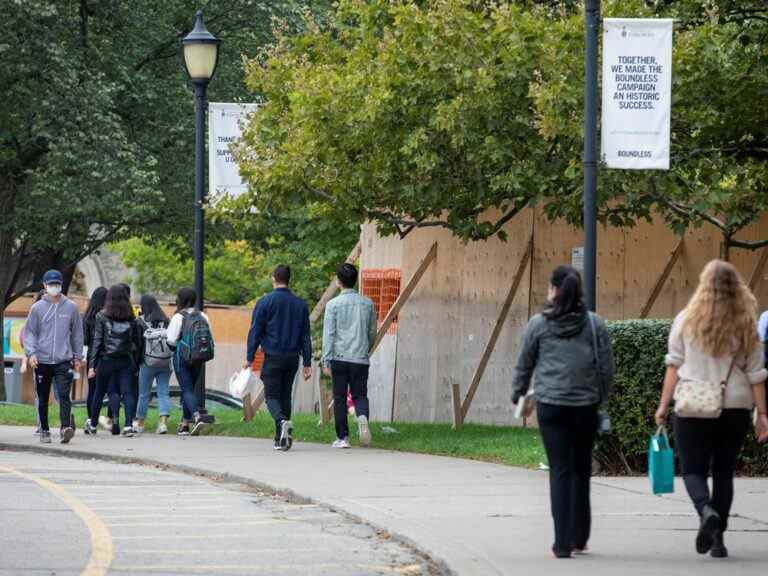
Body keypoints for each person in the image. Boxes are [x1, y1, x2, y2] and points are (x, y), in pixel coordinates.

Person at [655, 260, 768, 559]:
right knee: (723, 472)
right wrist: (763, 415)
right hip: (735, 406)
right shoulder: (746, 322)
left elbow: (673, 365)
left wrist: (663, 405)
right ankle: (718, 542)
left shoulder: (686, 319)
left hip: (693, 405)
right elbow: (757, 374)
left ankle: (705, 511)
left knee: (692, 469)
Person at [511, 265, 614, 559]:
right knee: (581, 469)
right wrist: (600, 396)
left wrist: (518, 392)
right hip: (585, 407)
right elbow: (607, 368)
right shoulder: (594, 324)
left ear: (554, 290)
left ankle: (561, 544)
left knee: (560, 470)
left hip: (551, 406)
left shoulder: (538, 324)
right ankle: (580, 537)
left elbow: (525, 361)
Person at [245, 265, 312, 451]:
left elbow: (255, 331)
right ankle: (281, 439)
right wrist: (307, 362)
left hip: (273, 356)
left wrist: (250, 357)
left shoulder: (265, 302)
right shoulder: (300, 304)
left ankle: (282, 422)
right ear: (289, 279)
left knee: (271, 396)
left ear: (274, 278)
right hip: (292, 358)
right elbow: (305, 336)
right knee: (285, 396)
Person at [23, 270, 84, 444]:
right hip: (41, 360)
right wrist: (31, 353)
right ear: (44, 285)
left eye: (57, 284)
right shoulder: (37, 308)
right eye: (51, 284)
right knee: (42, 398)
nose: (54, 287)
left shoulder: (71, 307)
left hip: (63, 360)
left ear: (62, 285)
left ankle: (65, 428)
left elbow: (77, 334)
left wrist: (77, 357)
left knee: (64, 395)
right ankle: (44, 430)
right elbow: (30, 333)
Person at [321, 263, 377, 449]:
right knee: (360, 395)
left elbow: (329, 334)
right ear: (355, 280)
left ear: (338, 282)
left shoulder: (332, 305)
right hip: (360, 358)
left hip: (339, 358)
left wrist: (326, 359)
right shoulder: (368, 303)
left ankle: (343, 438)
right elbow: (372, 332)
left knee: (339, 396)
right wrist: (365, 348)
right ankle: (362, 417)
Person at [88, 285, 142, 437]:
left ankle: (92, 425)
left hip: (106, 360)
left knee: (99, 392)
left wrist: (92, 365)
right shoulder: (131, 316)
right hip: (125, 360)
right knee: (128, 392)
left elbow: (97, 341)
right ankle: (128, 426)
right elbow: (136, 342)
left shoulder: (101, 316)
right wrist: (135, 362)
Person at [166, 287, 211, 436]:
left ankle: (197, 416)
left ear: (181, 300)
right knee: (189, 389)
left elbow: (171, 340)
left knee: (186, 389)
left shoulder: (178, 317)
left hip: (182, 357)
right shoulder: (203, 316)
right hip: (199, 357)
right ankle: (185, 425)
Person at [135, 294, 172, 434]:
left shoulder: (140, 322)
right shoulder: (166, 320)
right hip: (165, 362)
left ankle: (140, 423)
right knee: (163, 392)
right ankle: (162, 423)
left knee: (144, 394)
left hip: (147, 362)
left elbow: (137, 345)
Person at [82, 287, 108, 434]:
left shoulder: (88, 316)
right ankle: (110, 419)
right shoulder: (108, 316)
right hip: (107, 356)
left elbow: (85, 340)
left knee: (92, 390)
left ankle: (91, 419)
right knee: (107, 389)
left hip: (92, 357)